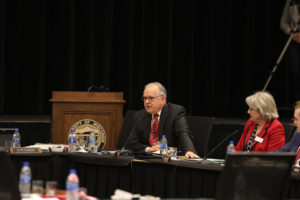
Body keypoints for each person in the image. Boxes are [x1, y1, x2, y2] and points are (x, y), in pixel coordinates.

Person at [128, 82, 199, 158]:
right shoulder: (139, 116)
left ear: (163, 99)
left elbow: (183, 132)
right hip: (148, 159)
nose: (146, 102)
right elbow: (133, 142)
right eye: (145, 98)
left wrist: (189, 150)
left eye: (150, 98)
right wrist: (149, 149)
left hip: (169, 159)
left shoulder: (175, 112)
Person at [280, 0, 300, 103]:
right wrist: (291, 32)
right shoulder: (291, 1)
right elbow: (283, 22)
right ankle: (298, 103)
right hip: (295, 40)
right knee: (296, 72)